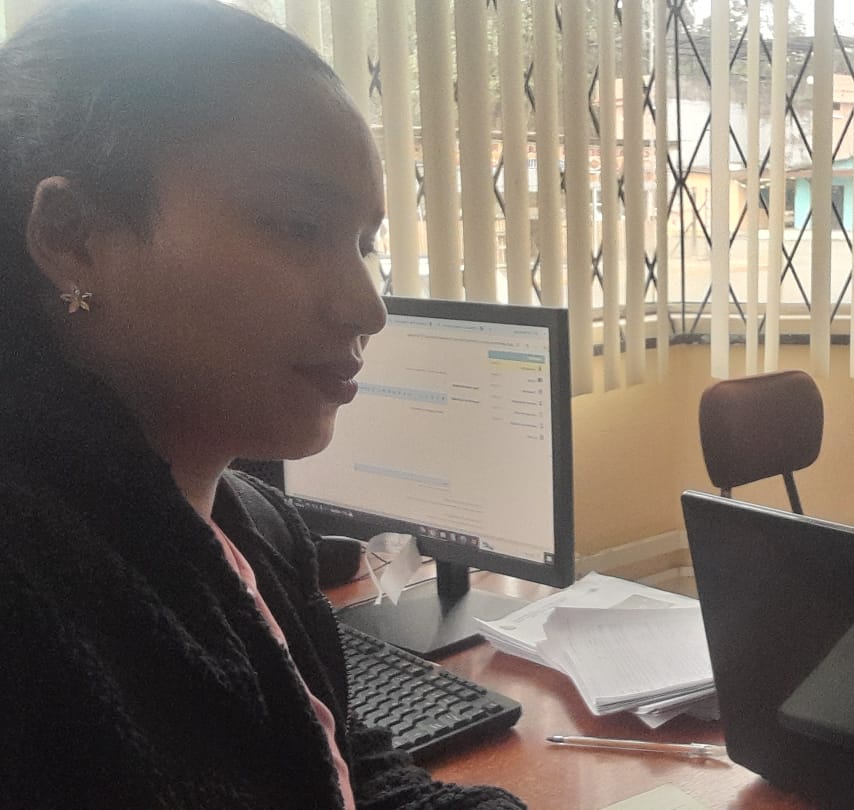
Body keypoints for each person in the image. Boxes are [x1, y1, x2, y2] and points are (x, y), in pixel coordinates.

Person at [0, 2, 524, 808]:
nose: (368, 308)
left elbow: (345, 766)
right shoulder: (29, 594)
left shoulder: (257, 526)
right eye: (296, 226)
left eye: (365, 244)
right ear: (72, 236)